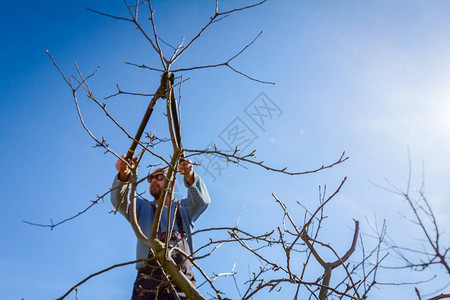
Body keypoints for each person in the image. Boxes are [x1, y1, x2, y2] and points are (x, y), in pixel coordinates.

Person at [111, 155, 211, 300]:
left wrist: (190, 175)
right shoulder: (141, 208)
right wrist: (124, 175)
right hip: (147, 280)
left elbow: (202, 201)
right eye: (150, 179)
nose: (153, 181)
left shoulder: (183, 207)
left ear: (172, 182)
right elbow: (119, 201)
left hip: (181, 278)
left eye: (159, 176)